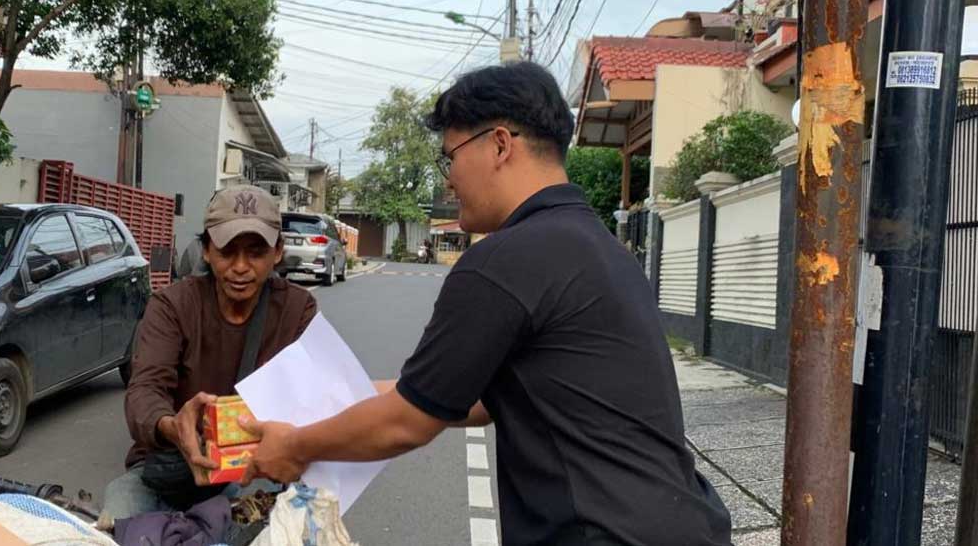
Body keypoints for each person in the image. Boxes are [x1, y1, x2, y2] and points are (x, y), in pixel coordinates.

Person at [239, 63, 733, 546]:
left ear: (499, 144)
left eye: (449, 156)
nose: (448, 180)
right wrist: (329, 402)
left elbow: (407, 420)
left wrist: (295, 446)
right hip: (687, 521)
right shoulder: (600, 247)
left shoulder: (503, 260)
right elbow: (466, 396)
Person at [102, 185, 317, 522]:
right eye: (227, 251)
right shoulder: (171, 306)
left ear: (277, 252)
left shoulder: (297, 309)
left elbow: (313, 398)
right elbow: (144, 390)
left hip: (255, 468)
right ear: (206, 251)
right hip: (171, 467)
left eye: (256, 252)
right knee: (117, 521)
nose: (241, 267)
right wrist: (172, 426)